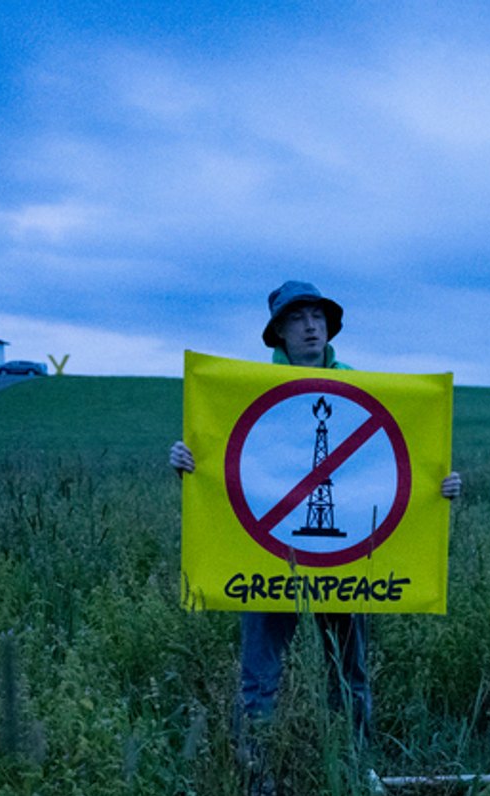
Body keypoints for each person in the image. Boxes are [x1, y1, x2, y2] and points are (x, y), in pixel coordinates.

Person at [170, 280, 461, 750]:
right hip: (266, 557)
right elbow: (224, 461)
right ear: (278, 332)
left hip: (339, 558)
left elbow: (393, 464)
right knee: (259, 677)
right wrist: (187, 461)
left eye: (318, 317)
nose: (310, 326)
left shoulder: (363, 387)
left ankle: (354, 767)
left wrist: (438, 486)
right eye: (297, 318)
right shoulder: (242, 391)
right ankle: (254, 773)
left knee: (350, 674)